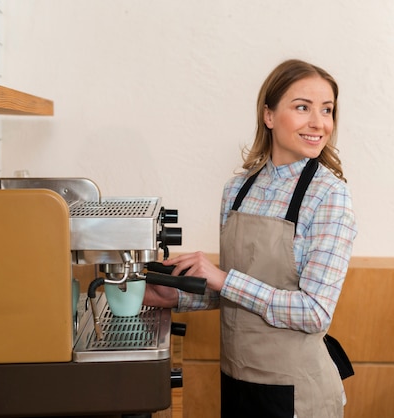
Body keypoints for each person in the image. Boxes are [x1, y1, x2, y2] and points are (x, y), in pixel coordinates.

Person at [143, 59, 357, 418]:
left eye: (327, 110)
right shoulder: (238, 190)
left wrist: (222, 277)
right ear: (268, 115)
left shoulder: (329, 196)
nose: (319, 123)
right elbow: (237, 293)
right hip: (237, 380)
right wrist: (176, 296)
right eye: (302, 107)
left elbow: (315, 312)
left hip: (297, 393)